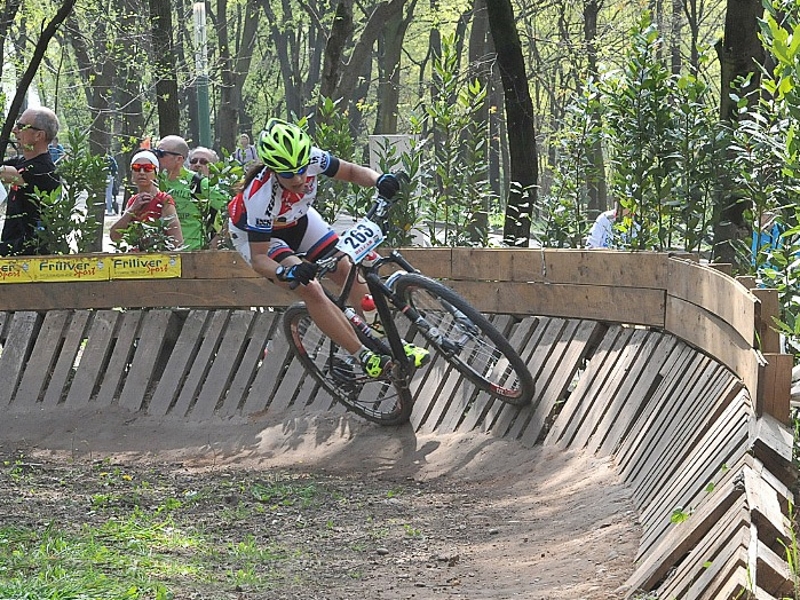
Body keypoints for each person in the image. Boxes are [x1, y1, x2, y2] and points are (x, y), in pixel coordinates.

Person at [227, 118, 429, 379]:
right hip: (260, 238)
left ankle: (389, 340)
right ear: (273, 169)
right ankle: (363, 355)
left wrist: (379, 180)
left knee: (345, 267)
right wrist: (286, 273)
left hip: (299, 220)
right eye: (288, 174)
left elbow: (353, 172)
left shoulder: (313, 158)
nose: (299, 178)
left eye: (301, 170)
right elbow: (260, 258)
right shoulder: (261, 197)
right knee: (310, 287)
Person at [0, 107, 62, 256]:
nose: (15, 130)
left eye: (21, 127)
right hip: (12, 249)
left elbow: (7, 174)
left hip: (31, 255)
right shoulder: (21, 161)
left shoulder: (43, 169)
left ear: (39, 135)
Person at [156, 135, 227, 251]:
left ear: (179, 159)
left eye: (161, 153)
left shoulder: (199, 183)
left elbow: (232, 211)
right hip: (162, 254)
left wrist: (215, 243)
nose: (157, 157)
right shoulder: (156, 182)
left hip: (193, 254)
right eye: (155, 152)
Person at [109, 150, 183, 251]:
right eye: (137, 168)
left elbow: (177, 241)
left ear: (156, 173)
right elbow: (115, 236)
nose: (142, 173)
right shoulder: (132, 201)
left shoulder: (164, 200)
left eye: (148, 169)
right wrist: (132, 210)